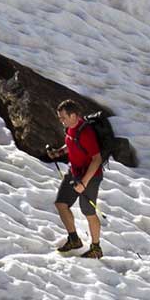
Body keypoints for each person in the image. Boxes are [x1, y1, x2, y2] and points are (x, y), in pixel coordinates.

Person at [48, 100, 105, 258]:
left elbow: (97, 159)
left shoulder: (86, 132)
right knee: (61, 203)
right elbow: (72, 144)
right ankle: (74, 239)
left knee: (88, 211)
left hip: (90, 176)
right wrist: (59, 152)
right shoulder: (71, 129)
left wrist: (84, 182)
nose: (61, 121)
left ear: (73, 115)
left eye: (63, 117)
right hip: (74, 172)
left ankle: (96, 248)